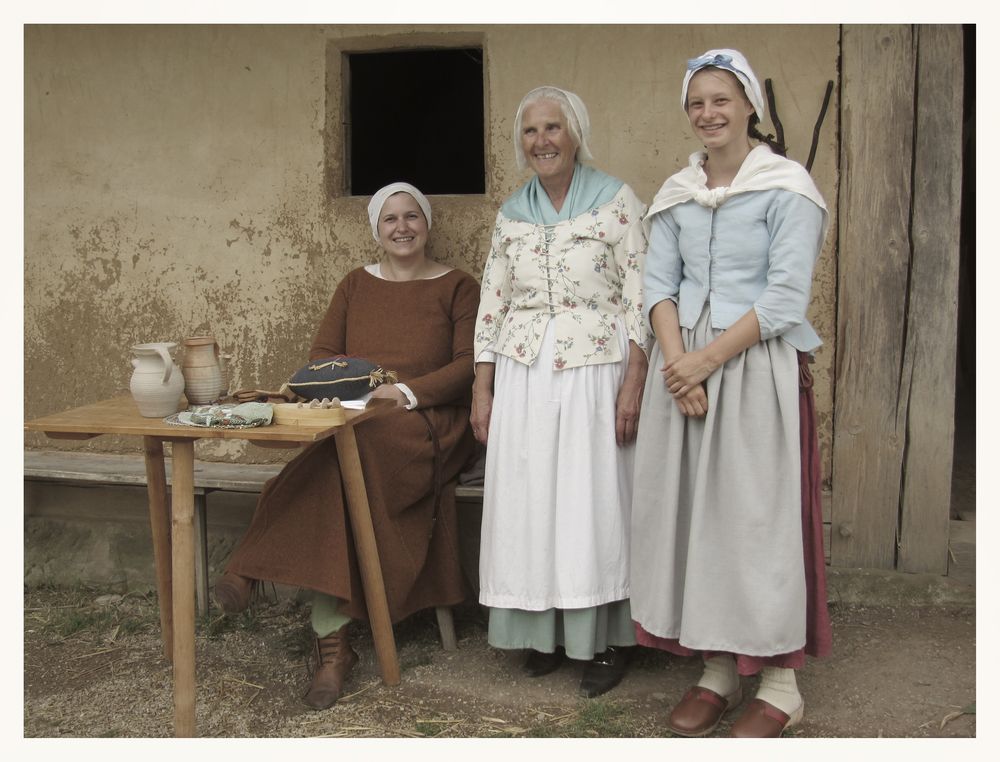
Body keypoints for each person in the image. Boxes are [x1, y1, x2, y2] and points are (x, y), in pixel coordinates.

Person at [213, 182, 480, 710]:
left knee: (341, 456)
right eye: (390, 220)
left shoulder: (458, 287)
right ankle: (333, 647)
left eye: (412, 217)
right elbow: (323, 356)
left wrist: (403, 392)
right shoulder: (355, 285)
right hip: (359, 419)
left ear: (427, 224)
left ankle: (251, 566)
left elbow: (470, 365)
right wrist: (343, 393)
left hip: (428, 421)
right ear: (376, 230)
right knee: (340, 463)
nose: (402, 227)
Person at [629, 49, 833, 738]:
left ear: (749, 105)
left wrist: (705, 361)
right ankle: (717, 667)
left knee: (755, 522)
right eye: (696, 104)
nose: (708, 114)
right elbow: (656, 285)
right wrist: (679, 360)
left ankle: (779, 682)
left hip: (752, 370)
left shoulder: (787, 187)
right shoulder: (677, 193)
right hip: (682, 371)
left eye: (721, 99)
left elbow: (784, 298)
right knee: (695, 519)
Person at [471, 86, 650, 698]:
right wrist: (482, 383)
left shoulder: (616, 201)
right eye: (530, 132)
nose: (541, 141)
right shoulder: (512, 214)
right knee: (531, 500)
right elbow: (492, 300)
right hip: (524, 374)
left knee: (591, 499)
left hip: (595, 370)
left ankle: (606, 638)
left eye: (553, 129)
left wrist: (635, 378)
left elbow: (642, 293)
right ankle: (542, 632)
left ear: (576, 134)